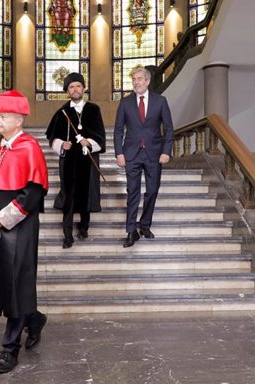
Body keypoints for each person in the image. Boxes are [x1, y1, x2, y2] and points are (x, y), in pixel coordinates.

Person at [0, 90, 49, 374]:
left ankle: (10, 348)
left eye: (2, 116)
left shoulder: (30, 148)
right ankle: (34, 318)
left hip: (21, 225)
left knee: (17, 280)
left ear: (18, 119)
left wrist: (1, 220)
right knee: (3, 275)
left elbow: (31, 194)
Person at [113, 65, 174, 248]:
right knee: (133, 192)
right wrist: (119, 153)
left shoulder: (160, 101)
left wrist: (166, 151)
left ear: (147, 81)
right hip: (131, 154)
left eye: (139, 79)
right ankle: (131, 231)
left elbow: (169, 129)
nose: (136, 82)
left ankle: (145, 224)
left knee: (152, 191)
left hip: (154, 154)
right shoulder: (125, 103)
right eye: (134, 79)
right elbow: (117, 131)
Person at [45, 72, 105, 248]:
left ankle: (84, 226)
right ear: (67, 92)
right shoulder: (62, 112)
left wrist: (90, 142)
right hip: (69, 161)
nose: (75, 89)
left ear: (84, 89)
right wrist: (61, 144)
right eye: (71, 87)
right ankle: (67, 235)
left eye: (78, 86)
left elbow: (100, 136)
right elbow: (52, 137)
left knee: (87, 194)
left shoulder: (94, 109)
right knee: (69, 196)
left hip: (88, 159)